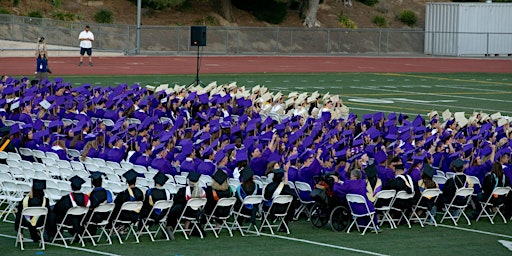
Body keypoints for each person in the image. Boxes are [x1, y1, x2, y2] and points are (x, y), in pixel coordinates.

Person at [262, 163, 298, 231]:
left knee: (265, 204)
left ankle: (263, 225)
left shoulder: (270, 186)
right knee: (288, 204)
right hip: (284, 210)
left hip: (272, 209)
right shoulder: (285, 187)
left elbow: (266, 198)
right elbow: (293, 196)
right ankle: (283, 226)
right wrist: (286, 173)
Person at [139, 171, 172, 235]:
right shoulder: (167, 192)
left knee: (143, 209)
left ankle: (140, 229)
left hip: (151, 215)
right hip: (163, 215)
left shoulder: (150, 192)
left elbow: (146, 204)